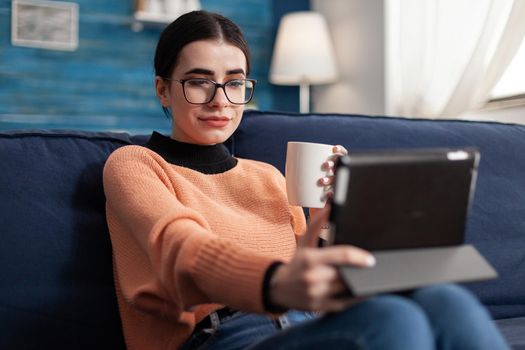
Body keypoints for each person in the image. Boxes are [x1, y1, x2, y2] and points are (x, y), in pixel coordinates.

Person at [102, 10, 509, 350]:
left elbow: (309, 269)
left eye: (235, 82)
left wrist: (338, 212)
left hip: (303, 324)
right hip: (222, 338)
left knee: (445, 299)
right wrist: (276, 282)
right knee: (389, 319)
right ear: (162, 90)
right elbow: (183, 252)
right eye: (198, 81)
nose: (220, 100)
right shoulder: (135, 165)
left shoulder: (268, 177)